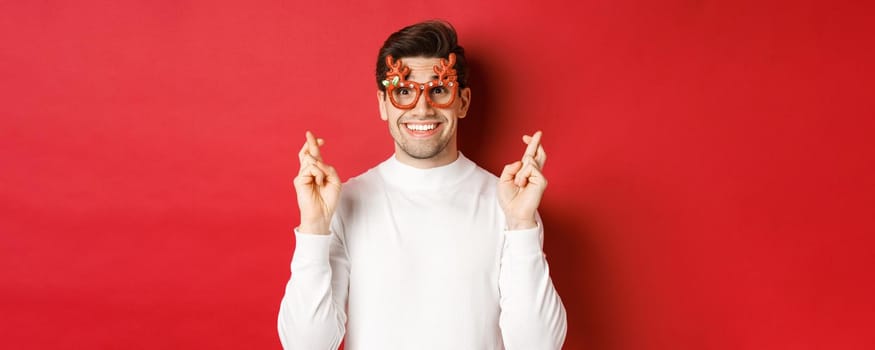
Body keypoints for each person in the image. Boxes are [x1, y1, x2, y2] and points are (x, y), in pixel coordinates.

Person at [278, 20, 567, 349]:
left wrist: (521, 225)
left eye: (439, 89)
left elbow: (540, 345)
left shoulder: (508, 204)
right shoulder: (347, 201)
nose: (421, 107)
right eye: (403, 91)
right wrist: (314, 226)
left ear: (463, 101)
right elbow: (304, 345)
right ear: (383, 104)